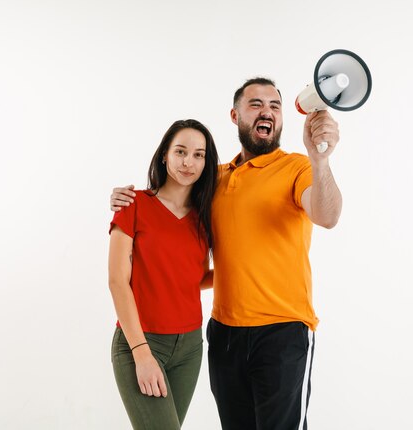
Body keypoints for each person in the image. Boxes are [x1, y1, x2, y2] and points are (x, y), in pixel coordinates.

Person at [111, 77, 342, 430]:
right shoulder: (213, 181)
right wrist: (126, 199)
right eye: (255, 104)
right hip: (225, 335)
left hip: (282, 332)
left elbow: (327, 216)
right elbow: (168, 213)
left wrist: (320, 160)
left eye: (275, 106)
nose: (266, 111)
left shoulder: (297, 168)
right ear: (235, 116)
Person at [108, 119, 219, 430]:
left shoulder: (204, 218)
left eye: (199, 155)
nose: (189, 162)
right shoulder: (134, 205)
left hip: (190, 348)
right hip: (141, 341)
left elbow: (193, 280)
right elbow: (117, 282)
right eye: (181, 151)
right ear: (164, 155)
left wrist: (240, 270)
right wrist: (141, 354)